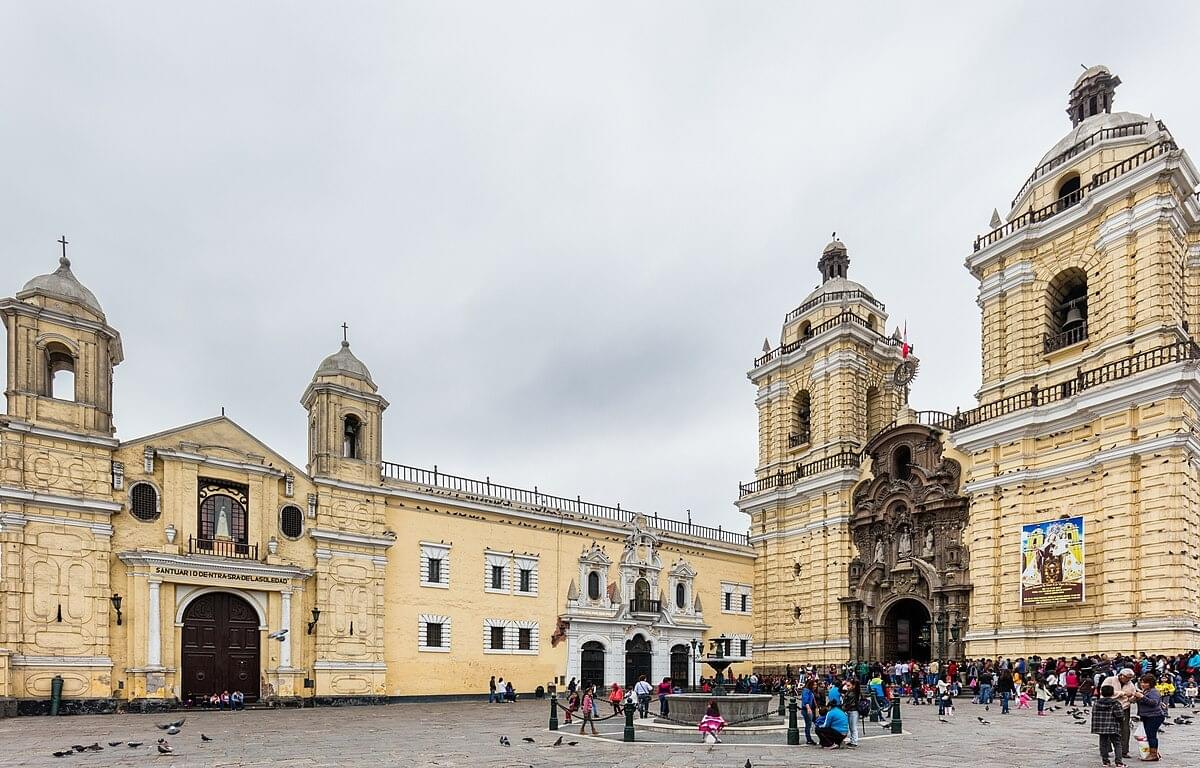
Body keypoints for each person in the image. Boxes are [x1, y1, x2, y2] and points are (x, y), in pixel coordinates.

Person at [1102, 667, 1137, 760]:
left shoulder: (1130, 684)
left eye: (1130, 678)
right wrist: (1122, 693)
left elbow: (1131, 696)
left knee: (1125, 729)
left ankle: (1124, 751)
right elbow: (1105, 692)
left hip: (1124, 708)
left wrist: (1134, 698)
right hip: (1110, 707)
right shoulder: (1109, 680)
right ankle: (1106, 749)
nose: (1128, 680)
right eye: (1127, 678)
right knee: (1108, 729)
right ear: (1121, 675)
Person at [1132, 673, 1165, 761]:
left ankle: (1153, 754)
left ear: (1151, 683)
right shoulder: (1146, 691)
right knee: (1149, 734)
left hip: (1154, 716)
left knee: (1151, 735)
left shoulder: (1153, 691)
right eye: (1142, 682)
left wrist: (1142, 697)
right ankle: (1154, 752)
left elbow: (1153, 703)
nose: (1143, 684)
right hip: (1147, 716)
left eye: (1145, 683)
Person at [1092, 684, 1125, 767]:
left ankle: (1105, 761)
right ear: (1113, 693)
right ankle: (1119, 762)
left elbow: (1094, 714)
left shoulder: (1096, 703)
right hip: (1113, 726)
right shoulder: (1115, 703)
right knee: (1117, 744)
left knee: (1103, 743)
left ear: (1102, 693)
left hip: (1101, 727)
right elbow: (1120, 715)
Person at [842, 679, 862, 748]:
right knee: (851, 727)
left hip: (853, 711)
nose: (847, 687)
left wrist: (844, 708)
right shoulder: (850, 692)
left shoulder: (853, 693)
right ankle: (852, 740)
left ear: (853, 686)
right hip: (850, 710)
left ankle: (854, 741)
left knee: (853, 727)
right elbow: (840, 690)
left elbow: (850, 704)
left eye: (848, 685)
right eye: (847, 685)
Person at [800, 679, 818, 745]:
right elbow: (805, 700)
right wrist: (808, 708)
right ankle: (809, 739)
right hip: (807, 710)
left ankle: (810, 739)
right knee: (808, 725)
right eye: (814, 685)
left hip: (811, 709)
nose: (815, 686)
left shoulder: (810, 691)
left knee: (813, 723)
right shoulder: (806, 691)